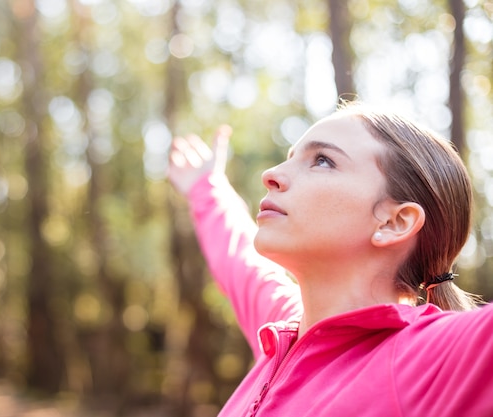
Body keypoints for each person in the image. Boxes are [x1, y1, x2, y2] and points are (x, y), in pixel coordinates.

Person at [167, 101, 492, 417]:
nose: (271, 174)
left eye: (322, 160)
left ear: (394, 222)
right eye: (291, 157)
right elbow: (239, 261)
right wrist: (205, 188)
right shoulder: (285, 326)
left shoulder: (430, 359)